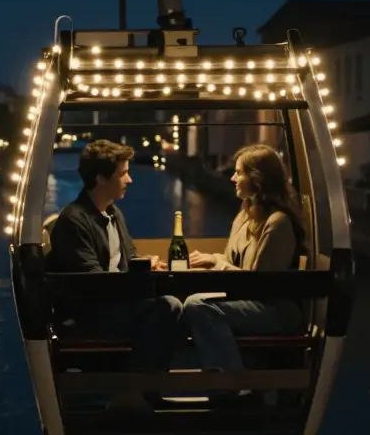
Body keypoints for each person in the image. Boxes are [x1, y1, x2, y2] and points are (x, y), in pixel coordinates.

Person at [46, 139, 182, 381]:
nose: (129, 180)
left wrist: (146, 264)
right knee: (168, 306)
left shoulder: (113, 213)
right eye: (123, 174)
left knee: (175, 306)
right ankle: (139, 384)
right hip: (90, 315)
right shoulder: (74, 221)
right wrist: (139, 277)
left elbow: (129, 257)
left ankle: (142, 382)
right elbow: (93, 283)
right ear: (100, 178)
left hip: (113, 305)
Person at [183, 144, 306, 387]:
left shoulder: (278, 223)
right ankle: (222, 379)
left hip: (274, 310)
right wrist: (213, 259)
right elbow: (230, 262)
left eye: (239, 173)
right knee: (187, 302)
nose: (232, 178)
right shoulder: (244, 216)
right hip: (250, 299)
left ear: (258, 180)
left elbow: (259, 284)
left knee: (199, 306)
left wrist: (216, 263)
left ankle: (231, 382)